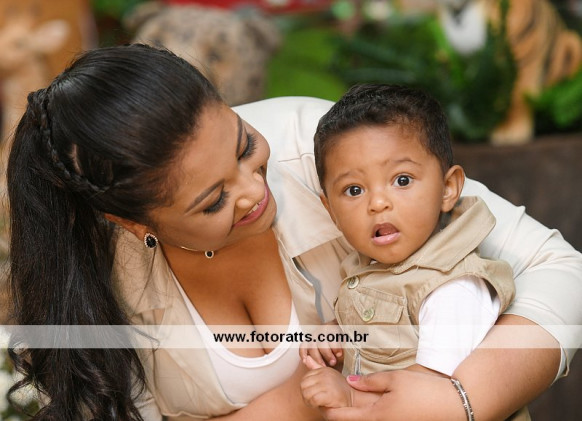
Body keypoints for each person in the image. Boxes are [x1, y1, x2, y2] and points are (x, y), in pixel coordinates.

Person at [5, 43, 581, 421]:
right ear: (133, 223)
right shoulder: (98, 280)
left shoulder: (328, 149)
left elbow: (561, 271)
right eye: (213, 201)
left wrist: (457, 400)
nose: (255, 190)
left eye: (244, 146)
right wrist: (302, 402)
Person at [298, 84, 527, 420]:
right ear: (330, 209)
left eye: (402, 180)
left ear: (447, 188)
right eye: (354, 189)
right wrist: (338, 330)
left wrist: (348, 394)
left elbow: (431, 393)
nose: (378, 203)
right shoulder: (369, 269)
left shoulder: (452, 288)